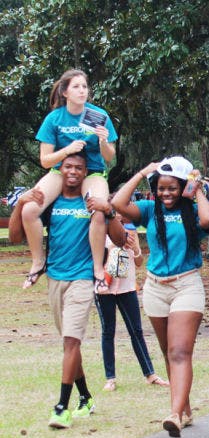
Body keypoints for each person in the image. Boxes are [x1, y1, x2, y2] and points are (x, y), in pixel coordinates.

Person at [9, 153, 125, 429]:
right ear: (60, 170)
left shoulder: (92, 205)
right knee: (68, 344)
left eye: (79, 168)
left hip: (83, 279)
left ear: (86, 173)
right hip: (55, 278)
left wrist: (109, 211)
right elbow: (15, 237)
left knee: (72, 343)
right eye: (68, 167)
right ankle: (85, 396)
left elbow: (121, 239)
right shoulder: (49, 204)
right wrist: (20, 205)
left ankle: (61, 407)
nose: (73, 172)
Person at [111, 156, 209, 438]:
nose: (166, 193)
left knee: (180, 352)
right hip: (155, 287)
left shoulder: (193, 210)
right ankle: (185, 408)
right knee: (168, 353)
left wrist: (198, 190)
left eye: (172, 188)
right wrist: (142, 172)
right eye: (161, 187)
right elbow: (118, 204)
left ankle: (174, 415)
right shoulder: (149, 209)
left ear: (182, 186)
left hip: (187, 285)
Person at [22, 69, 118, 292]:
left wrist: (103, 140)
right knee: (29, 210)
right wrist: (67, 150)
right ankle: (38, 262)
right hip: (60, 171)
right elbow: (45, 161)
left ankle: (97, 269)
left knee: (98, 210)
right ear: (65, 92)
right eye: (76, 87)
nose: (82, 91)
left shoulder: (98, 115)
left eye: (84, 86)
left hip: (92, 172)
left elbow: (109, 157)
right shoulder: (54, 119)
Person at [96, 213, 169, 392]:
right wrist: (113, 245)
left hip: (127, 288)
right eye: (116, 212)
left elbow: (138, 262)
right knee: (108, 331)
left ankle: (150, 374)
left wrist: (135, 248)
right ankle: (110, 378)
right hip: (104, 288)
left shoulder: (131, 232)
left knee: (136, 331)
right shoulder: (99, 233)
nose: (120, 216)